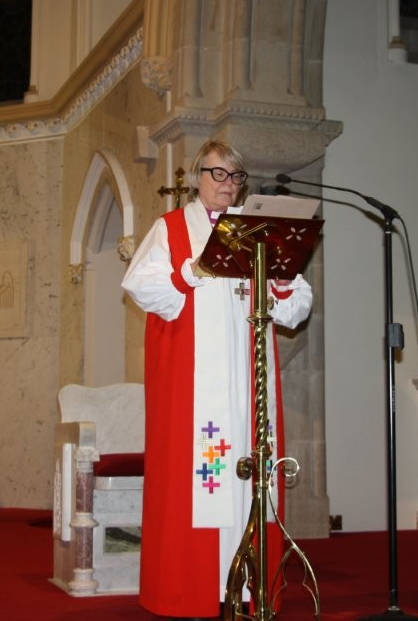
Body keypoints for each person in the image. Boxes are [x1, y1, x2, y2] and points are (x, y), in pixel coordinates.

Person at [121, 140, 313, 620]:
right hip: (195, 390)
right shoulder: (171, 229)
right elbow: (141, 285)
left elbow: (295, 308)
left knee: (249, 476)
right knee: (201, 479)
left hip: (248, 387)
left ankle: (248, 591)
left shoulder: (259, 232)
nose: (228, 184)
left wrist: (282, 281)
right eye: (218, 174)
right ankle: (191, 590)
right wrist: (189, 271)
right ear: (196, 178)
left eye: (236, 176)